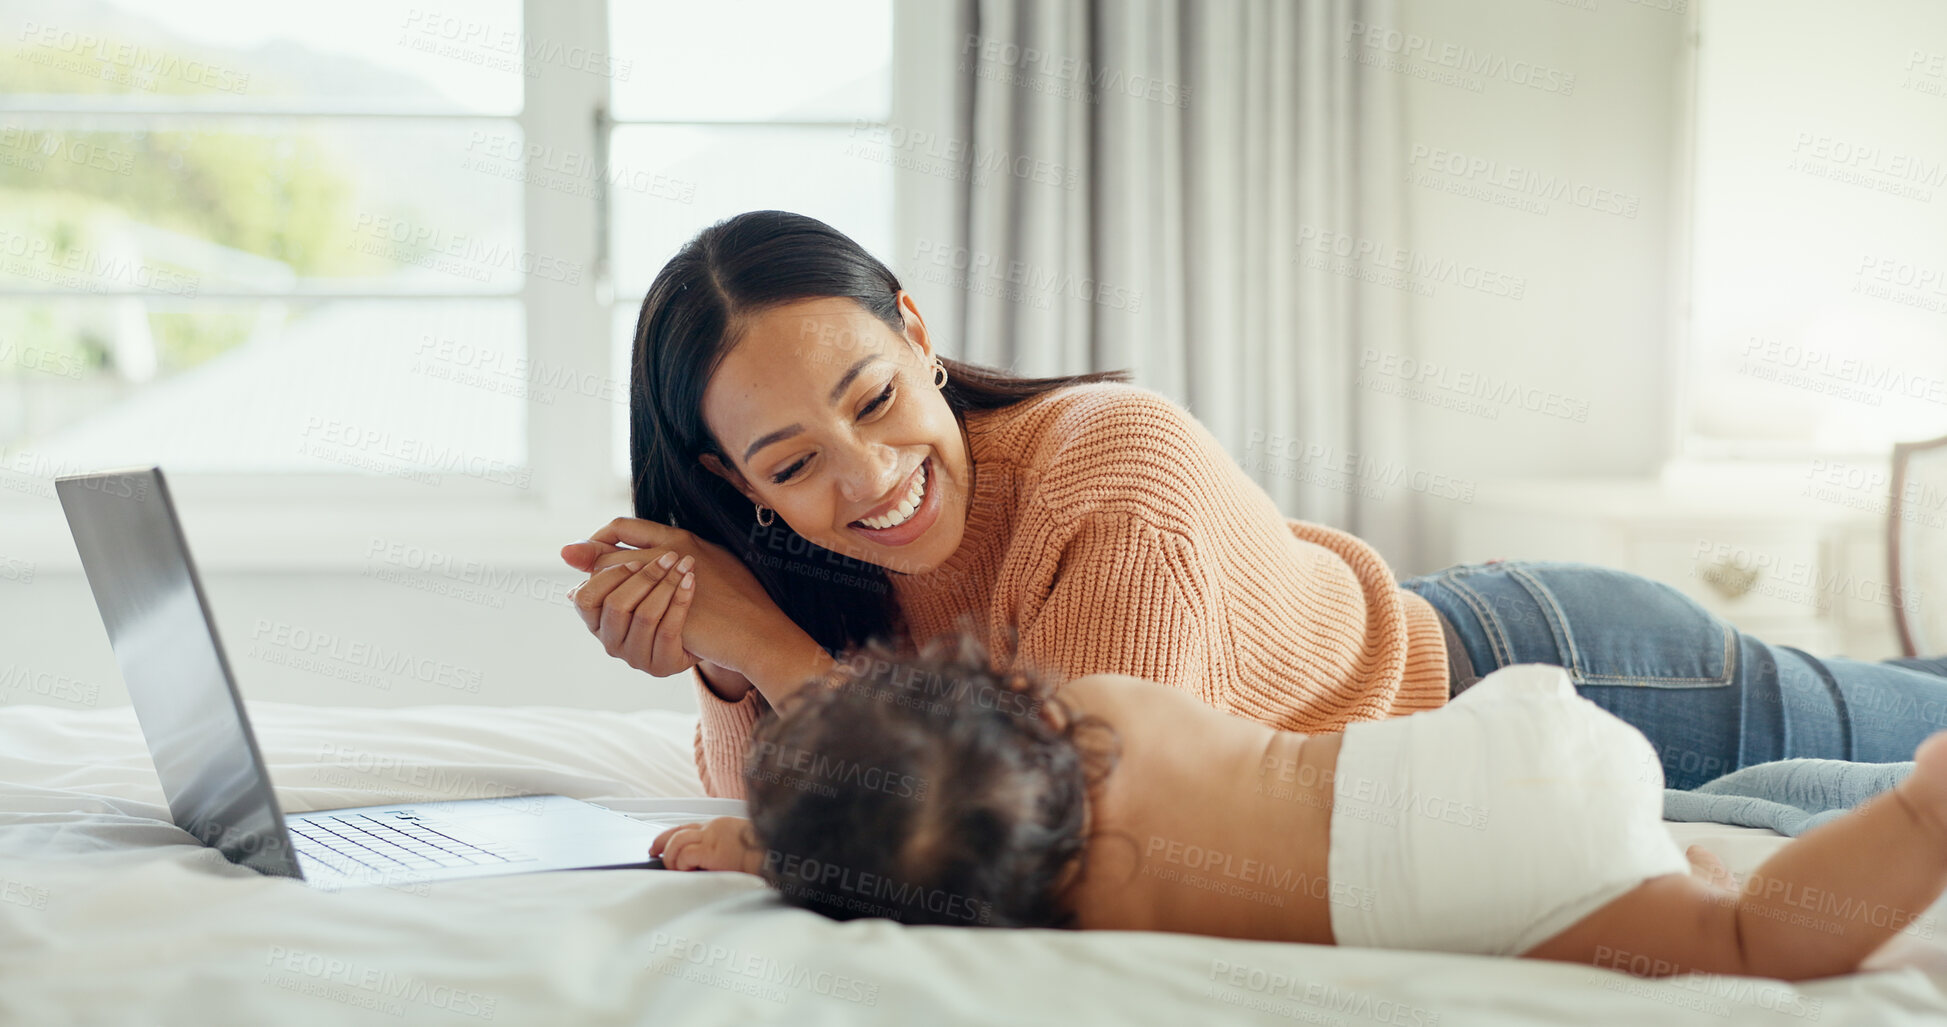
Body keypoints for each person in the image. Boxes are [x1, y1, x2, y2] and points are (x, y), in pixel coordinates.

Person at [560, 208, 1947, 806]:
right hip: (1465, 705)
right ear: (733, 483)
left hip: (1564, 674)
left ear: (918, 330)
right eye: (792, 464)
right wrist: (727, 657)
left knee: (1917, 727)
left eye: (873, 400)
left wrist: (777, 659)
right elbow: (796, 804)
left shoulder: (1111, 466)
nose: (866, 482)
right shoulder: (783, 553)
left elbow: (1061, 812)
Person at [656, 631, 1947, 983]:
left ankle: (1926, 818)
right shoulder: (1103, 707)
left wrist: (763, 849)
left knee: (1745, 937)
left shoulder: (1058, 919)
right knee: (1717, 833)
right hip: (1495, 744)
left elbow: (888, 836)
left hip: (1467, 878)